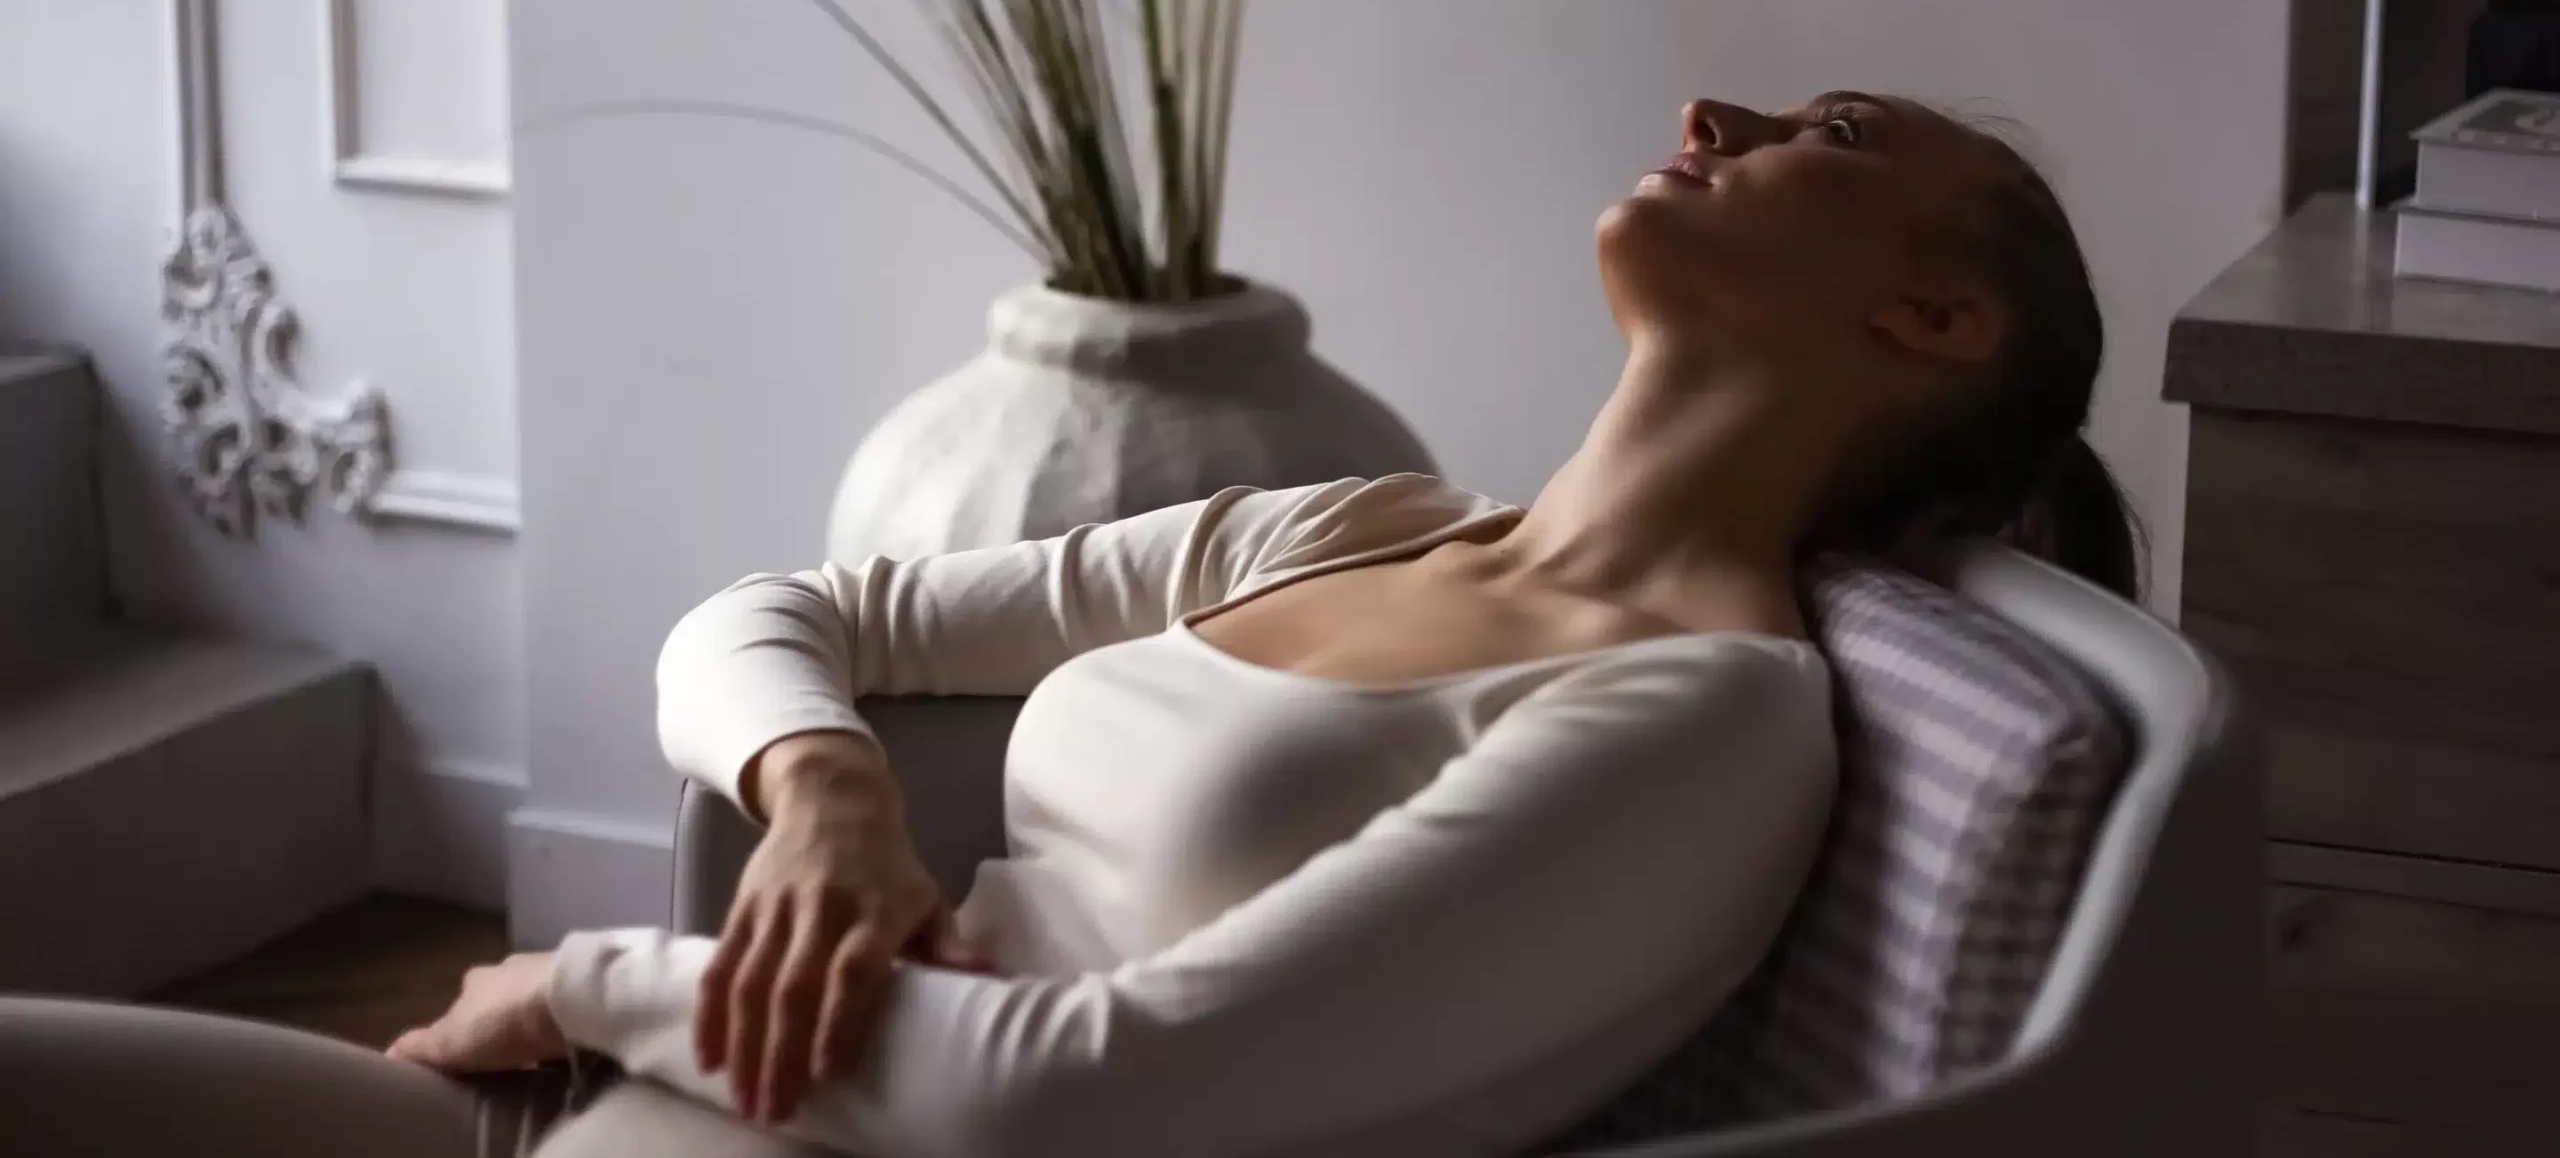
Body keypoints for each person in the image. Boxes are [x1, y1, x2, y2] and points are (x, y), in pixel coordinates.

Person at [389, 92, 2137, 1157]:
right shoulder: (1368, 521)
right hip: (702, 1094)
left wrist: (582, 981)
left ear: (1937, 318)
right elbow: (780, 616)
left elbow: (1085, 1100)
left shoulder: (1709, 721)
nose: (1712, 112)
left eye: (1836, 134)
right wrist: (830, 798)